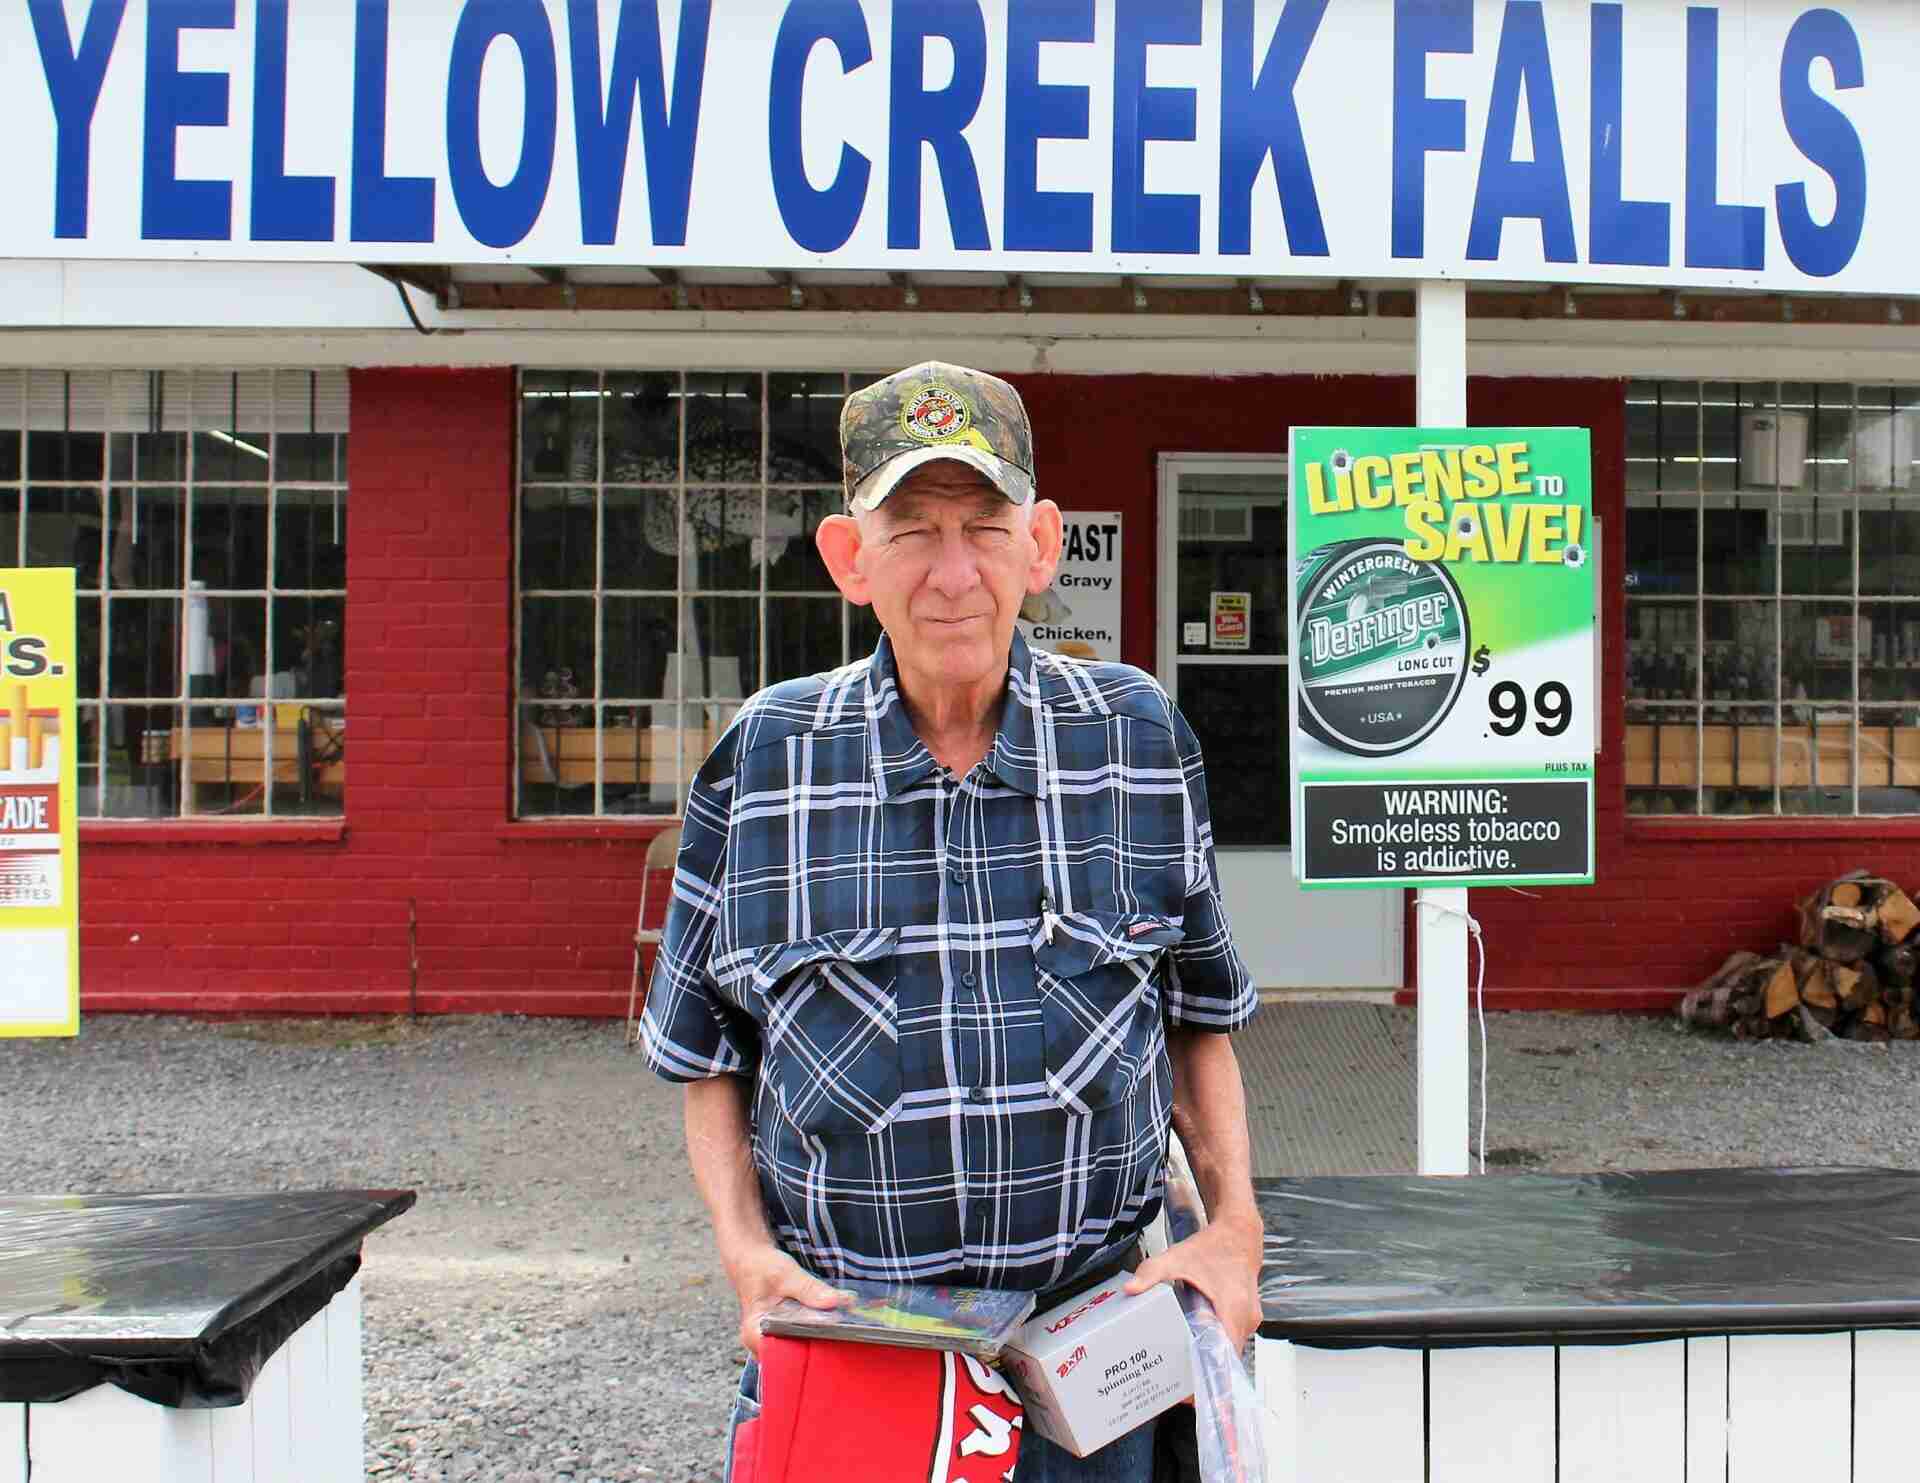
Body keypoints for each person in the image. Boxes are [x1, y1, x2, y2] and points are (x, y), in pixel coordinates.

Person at [638, 362, 1263, 1481]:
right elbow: (705, 1053)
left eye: (985, 526)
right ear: (850, 558)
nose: (954, 571)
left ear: (1041, 545)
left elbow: (1196, 1015)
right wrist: (743, 1251)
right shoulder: (765, 760)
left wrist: (1233, 1231)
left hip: (1095, 1353)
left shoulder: (1137, 739)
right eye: (914, 531)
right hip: (854, 1348)